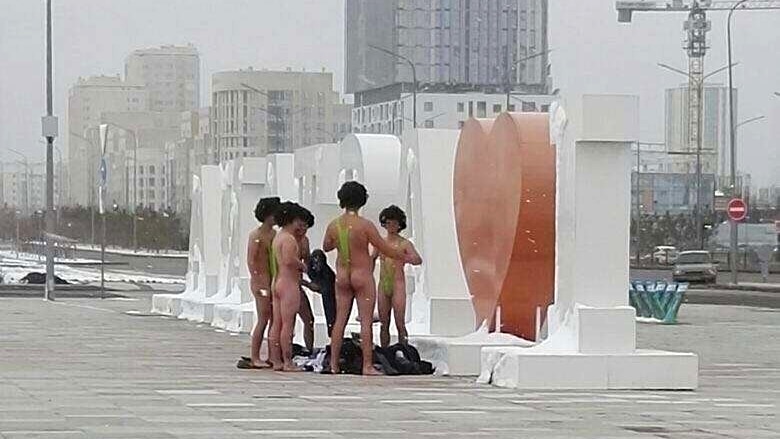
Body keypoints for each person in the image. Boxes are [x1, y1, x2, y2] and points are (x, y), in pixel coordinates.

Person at [323, 181, 409, 375]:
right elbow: (383, 246)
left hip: (342, 276)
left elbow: (326, 246)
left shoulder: (334, 225)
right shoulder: (365, 225)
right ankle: (367, 365)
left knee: (340, 320)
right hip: (362, 275)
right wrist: (401, 256)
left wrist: (340, 242)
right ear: (362, 201)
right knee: (366, 321)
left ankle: (334, 364)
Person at [268, 202, 309, 372]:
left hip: (277, 282)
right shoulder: (290, 239)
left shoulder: (278, 237)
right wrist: (303, 266)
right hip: (289, 284)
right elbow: (288, 260)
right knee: (287, 324)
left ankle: (275, 359)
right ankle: (287, 361)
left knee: (276, 323)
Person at [374, 205, 423, 348]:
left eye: (394, 223)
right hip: (383, 284)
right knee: (384, 322)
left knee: (399, 321)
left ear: (399, 224)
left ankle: (404, 349)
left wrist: (402, 257)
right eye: (388, 223)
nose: (391, 226)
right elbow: (371, 258)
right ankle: (384, 351)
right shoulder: (380, 242)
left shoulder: (404, 243)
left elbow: (417, 259)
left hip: (398, 284)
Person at [244, 197, 280, 369]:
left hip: (272, 281)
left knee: (274, 318)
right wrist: (259, 283)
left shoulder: (274, 235)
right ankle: (255, 356)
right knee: (263, 318)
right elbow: (251, 261)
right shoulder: (256, 236)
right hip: (261, 284)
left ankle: (273, 355)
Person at [295, 207, 316, 353]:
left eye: (306, 227)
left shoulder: (304, 241)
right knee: (285, 322)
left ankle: (309, 350)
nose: (303, 229)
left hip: (299, 285)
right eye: (301, 225)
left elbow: (307, 262)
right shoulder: (287, 240)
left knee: (309, 320)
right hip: (288, 284)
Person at [307, 249, 337, 338]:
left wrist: (305, 283)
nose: (317, 266)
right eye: (315, 263)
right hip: (327, 296)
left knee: (332, 319)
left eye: (319, 263)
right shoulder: (311, 270)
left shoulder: (328, 273)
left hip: (332, 297)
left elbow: (319, 288)